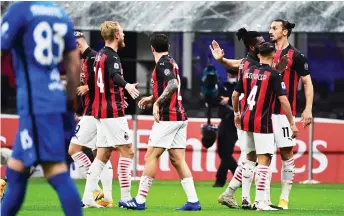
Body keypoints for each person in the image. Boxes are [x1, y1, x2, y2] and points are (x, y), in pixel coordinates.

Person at [1, 2, 82, 216]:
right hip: (54, 100)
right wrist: (70, 100)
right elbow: (74, 63)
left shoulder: (21, 10)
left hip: (36, 104)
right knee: (16, 170)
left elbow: (2, 49)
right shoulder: (59, 13)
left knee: (55, 170)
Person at [120, 33, 201, 211]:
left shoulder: (162, 63)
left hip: (168, 117)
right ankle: (193, 201)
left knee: (151, 156)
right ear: (168, 47)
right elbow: (169, 86)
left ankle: (140, 201)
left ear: (152, 49)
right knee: (178, 159)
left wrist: (157, 102)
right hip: (180, 117)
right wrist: (152, 97)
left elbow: (172, 84)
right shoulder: (171, 61)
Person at [211, 28, 288, 209]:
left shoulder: (250, 63)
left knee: (251, 159)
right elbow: (237, 67)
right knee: (257, 159)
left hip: (247, 115)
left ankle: (238, 195)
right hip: (253, 116)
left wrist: (221, 60)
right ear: (253, 47)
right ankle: (253, 199)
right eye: (261, 43)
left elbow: (236, 65)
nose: (265, 44)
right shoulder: (250, 64)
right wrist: (221, 60)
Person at [232, 42, 298, 211]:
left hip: (246, 120)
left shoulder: (248, 71)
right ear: (274, 54)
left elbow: (235, 94)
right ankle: (260, 202)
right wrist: (292, 122)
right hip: (262, 122)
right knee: (264, 160)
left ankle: (245, 197)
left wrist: (237, 113)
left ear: (259, 55)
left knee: (249, 158)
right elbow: (283, 100)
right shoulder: (274, 74)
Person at [82, 21, 140, 208]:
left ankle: (87, 198)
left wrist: (115, 95)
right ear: (116, 35)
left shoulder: (98, 55)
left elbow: (96, 82)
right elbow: (115, 76)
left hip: (99, 110)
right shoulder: (112, 56)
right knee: (128, 152)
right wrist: (127, 86)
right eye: (122, 32)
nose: (124, 35)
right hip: (111, 111)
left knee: (103, 154)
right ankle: (126, 197)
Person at [269, 19, 313, 209]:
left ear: (285, 32)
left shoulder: (297, 56)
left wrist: (308, 108)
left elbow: (307, 83)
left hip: (284, 114)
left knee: (286, 153)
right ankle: (260, 198)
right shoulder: (264, 52)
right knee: (260, 155)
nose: (270, 31)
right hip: (263, 112)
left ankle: (284, 199)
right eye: (270, 28)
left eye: (274, 28)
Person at [68, 31, 115, 207]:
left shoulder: (96, 58)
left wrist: (88, 87)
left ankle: (95, 191)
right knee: (100, 155)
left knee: (74, 150)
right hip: (91, 112)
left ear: (78, 44)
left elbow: (107, 81)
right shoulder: (86, 60)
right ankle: (105, 197)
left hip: (94, 113)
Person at [213, 70, 239, 188]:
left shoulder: (240, 85)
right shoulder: (223, 85)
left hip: (235, 121)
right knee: (223, 151)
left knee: (225, 152)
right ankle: (235, 176)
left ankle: (223, 178)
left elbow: (244, 98)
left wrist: (228, 100)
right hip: (224, 119)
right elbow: (215, 99)